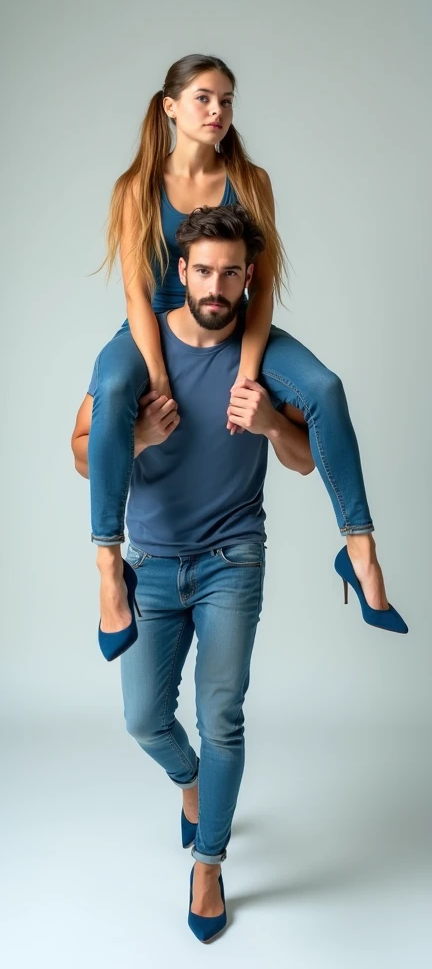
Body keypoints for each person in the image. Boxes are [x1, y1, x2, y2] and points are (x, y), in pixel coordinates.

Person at [86, 52, 408, 646]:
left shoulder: (251, 182)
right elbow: (136, 294)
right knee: (109, 388)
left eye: (227, 100)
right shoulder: (135, 187)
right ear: (170, 107)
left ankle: (359, 548)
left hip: (237, 324)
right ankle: (109, 565)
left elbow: (260, 292)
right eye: (204, 97)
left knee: (325, 389)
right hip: (154, 328)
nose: (217, 111)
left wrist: (248, 370)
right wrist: (157, 374)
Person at [71, 205, 315, 942]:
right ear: (181, 273)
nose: (216, 285)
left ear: (248, 278)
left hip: (230, 560)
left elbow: (307, 458)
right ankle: (191, 785)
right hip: (147, 562)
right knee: (144, 718)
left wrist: (273, 421)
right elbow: (81, 449)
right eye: (203, 270)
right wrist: (137, 435)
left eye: (230, 272)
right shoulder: (134, 357)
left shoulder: (263, 353)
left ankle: (209, 863)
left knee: (222, 717)